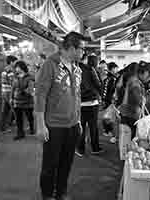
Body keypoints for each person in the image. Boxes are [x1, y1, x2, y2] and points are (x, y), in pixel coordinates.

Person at [35, 31, 90, 200]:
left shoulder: (77, 69)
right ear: (72, 48)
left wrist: (78, 120)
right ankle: (47, 195)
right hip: (54, 125)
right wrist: (40, 124)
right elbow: (40, 95)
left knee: (67, 162)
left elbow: (77, 96)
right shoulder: (50, 65)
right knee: (50, 164)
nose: (83, 53)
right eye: (82, 49)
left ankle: (61, 192)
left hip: (72, 124)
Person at [119, 61, 150, 139]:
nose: (149, 80)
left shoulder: (135, 80)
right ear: (146, 73)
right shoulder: (135, 83)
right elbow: (139, 100)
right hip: (130, 115)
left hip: (128, 113)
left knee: (128, 138)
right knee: (130, 138)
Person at [75, 54, 103, 157]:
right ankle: (95, 148)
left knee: (81, 126)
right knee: (93, 126)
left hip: (80, 103)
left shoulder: (74, 69)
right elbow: (99, 84)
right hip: (92, 102)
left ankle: (80, 149)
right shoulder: (91, 70)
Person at [11, 60, 35, 140]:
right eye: (15, 67)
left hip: (27, 101)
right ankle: (20, 133)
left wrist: (24, 91)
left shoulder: (29, 77)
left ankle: (32, 128)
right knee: (18, 118)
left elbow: (30, 89)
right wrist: (11, 98)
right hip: (17, 101)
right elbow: (13, 88)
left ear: (22, 67)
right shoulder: (15, 77)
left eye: (17, 67)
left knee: (29, 116)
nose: (16, 69)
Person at [1, 55, 18, 131]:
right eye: (15, 62)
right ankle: (19, 127)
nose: (16, 64)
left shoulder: (4, 69)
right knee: (15, 110)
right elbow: (13, 82)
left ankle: (3, 127)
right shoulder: (10, 70)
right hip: (9, 92)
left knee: (5, 110)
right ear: (11, 62)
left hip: (4, 91)